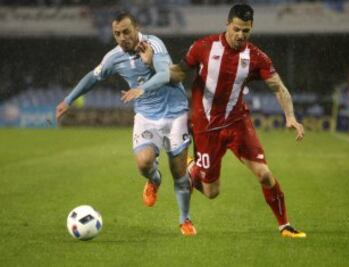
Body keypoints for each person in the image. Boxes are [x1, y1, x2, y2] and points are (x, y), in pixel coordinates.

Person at [139, 4, 306, 238]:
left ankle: (285, 226)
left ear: (252, 28)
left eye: (245, 31)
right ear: (227, 24)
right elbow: (179, 72)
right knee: (211, 192)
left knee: (264, 174)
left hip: (238, 123)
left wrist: (290, 116)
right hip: (206, 128)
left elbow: (278, 86)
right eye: (236, 29)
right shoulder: (203, 47)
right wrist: (152, 64)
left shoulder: (256, 56)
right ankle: (191, 165)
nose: (240, 35)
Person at [56, 12, 196, 236]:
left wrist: (142, 86)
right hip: (146, 115)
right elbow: (93, 77)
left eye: (126, 32)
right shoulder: (113, 57)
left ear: (136, 28)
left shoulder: (153, 44)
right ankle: (154, 180)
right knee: (144, 163)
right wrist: (68, 100)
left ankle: (184, 220)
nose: (122, 37)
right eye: (117, 34)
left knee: (179, 172)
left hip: (175, 112)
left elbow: (164, 75)